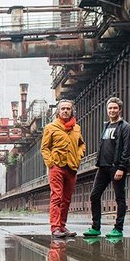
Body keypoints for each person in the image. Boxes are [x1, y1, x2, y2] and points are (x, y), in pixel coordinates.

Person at [83, 97, 130, 239]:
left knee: (119, 198)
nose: (112, 110)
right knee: (94, 195)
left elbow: (127, 149)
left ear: (120, 110)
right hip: (103, 167)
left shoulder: (125, 127)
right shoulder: (106, 126)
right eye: (110, 108)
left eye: (115, 108)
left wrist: (121, 167)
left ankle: (118, 228)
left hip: (116, 167)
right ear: (107, 110)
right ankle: (95, 227)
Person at [41, 99, 86, 238]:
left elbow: (81, 145)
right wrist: (51, 163)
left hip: (71, 167)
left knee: (66, 199)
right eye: (63, 109)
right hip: (57, 167)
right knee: (57, 197)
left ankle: (62, 226)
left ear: (72, 111)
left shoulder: (76, 128)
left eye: (68, 108)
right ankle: (55, 228)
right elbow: (44, 148)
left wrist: (78, 157)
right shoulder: (51, 127)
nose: (65, 111)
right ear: (58, 112)